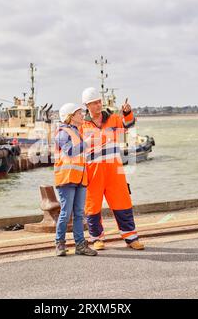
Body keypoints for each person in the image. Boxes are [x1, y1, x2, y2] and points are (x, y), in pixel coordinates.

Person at [79, 87, 145, 251]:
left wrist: (127, 113)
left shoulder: (114, 119)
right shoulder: (82, 125)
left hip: (114, 172)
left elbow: (128, 124)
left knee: (123, 203)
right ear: (87, 105)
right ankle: (96, 239)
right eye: (94, 103)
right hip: (93, 173)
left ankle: (131, 238)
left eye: (99, 102)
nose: (98, 105)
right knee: (92, 207)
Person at [54, 103, 98, 257]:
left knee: (79, 213)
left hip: (79, 178)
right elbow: (70, 151)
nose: (82, 115)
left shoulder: (76, 132)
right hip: (66, 179)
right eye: (79, 113)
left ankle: (80, 245)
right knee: (66, 214)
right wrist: (88, 143)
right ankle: (59, 244)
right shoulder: (63, 132)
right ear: (70, 116)